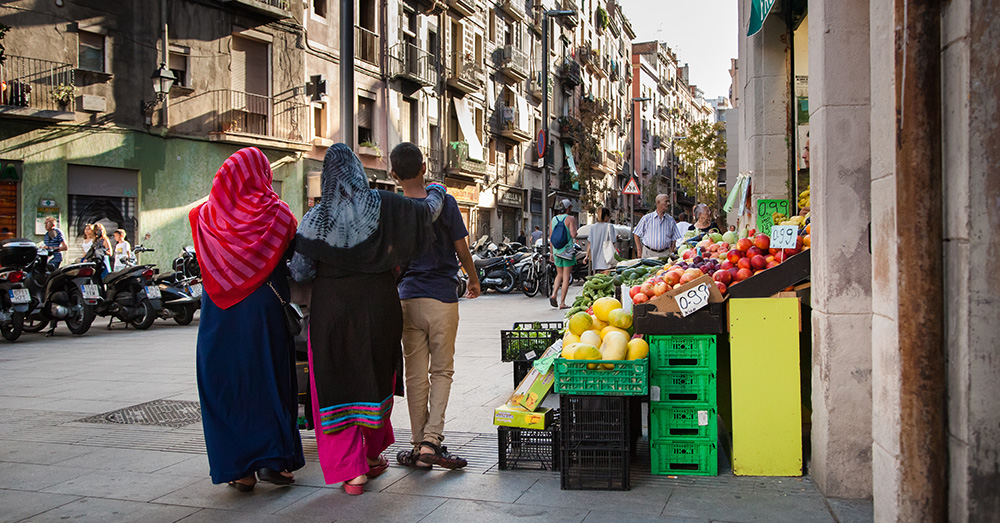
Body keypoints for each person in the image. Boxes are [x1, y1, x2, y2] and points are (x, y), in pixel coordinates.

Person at [290, 143, 447, 495]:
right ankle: (373, 456)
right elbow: (428, 212)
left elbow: (300, 272)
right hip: (379, 307)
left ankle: (352, 473)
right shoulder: (385, 205)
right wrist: (437, 188)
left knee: (335, 383)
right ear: (359, 172)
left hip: (332, 313)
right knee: (374, 377)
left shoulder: (315, 218)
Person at [190, 146, 304, 493]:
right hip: (263, 310)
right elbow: (293, 259)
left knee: (225, 384)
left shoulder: (202, 216)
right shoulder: (278, 214)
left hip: (218, 312)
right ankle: (274, 461)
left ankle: (238, 468)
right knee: (268, 379)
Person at [390, 143, 480, 471]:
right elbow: (462, 250)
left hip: (407, 298)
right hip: (442, 297)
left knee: (415, 374)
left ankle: (418, 445)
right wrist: (473, 280)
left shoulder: (396, 208)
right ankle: (431, 441)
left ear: (393, 174)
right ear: (424, 167)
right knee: (441, 371)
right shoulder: (446, 202)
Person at [549, 199, 577, 309]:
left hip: (556, 251)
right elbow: (573, 234)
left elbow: (551, 238)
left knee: (559, 274)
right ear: (568, 208)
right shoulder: (570, 218)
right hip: (567, 252)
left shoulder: (553, 219)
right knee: (566, 277)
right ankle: (562, 303)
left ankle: (554, 294)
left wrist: (551, 253)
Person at [584, 207, 616, 275]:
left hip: (595, 258)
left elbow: (589, 243)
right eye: (609, 216)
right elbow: (613, 241)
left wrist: (586, 256)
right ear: (606, 216)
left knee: (598, 278)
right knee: (607, 277)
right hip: (607, 257)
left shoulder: (592, 227)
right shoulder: (609, 226)